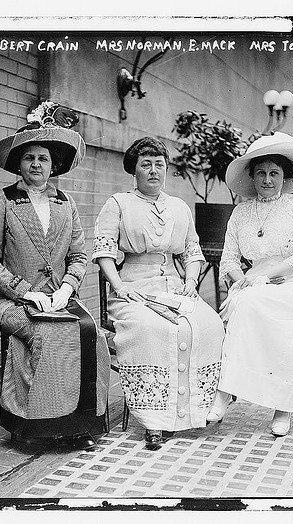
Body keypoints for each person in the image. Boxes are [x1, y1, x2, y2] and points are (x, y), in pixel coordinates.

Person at [0, 101, 110, 451]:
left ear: (53, 166)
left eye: (44, 159)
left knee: (91, 334)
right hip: (11, 301)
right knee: (48, 335)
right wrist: (24, 292)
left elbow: (79, 255)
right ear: (19, 164)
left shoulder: (66, 203)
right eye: (29, 158)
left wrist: (68, 287)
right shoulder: (3, 201)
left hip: (58, 297)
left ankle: (80, 424)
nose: (37, 164)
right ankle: (33, 426)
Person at [93, 137, 224, 450]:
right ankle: (155, 421)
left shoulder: (178, 207)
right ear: (134, 171)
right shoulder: (118, 203)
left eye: (159, 165)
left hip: (175, 287)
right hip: (133, 290)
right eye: (146, 165)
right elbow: (104, 252)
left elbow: (192, 250)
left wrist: (191, 282)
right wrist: (120, 286)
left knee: (210, 323)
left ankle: (198, 410)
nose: (153, 171)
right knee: (153, 329)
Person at [208, 132, 293, 437]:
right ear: (252, 176)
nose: (267, 180)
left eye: (274, 173)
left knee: (248, 303)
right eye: (262, 173)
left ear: (284, 177)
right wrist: (243, 282)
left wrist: (262, 280)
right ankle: (225, 393)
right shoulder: (240, 213)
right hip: (252, 284)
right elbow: (229, 261)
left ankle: (282, 407)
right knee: (245, 301)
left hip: (292, 283)